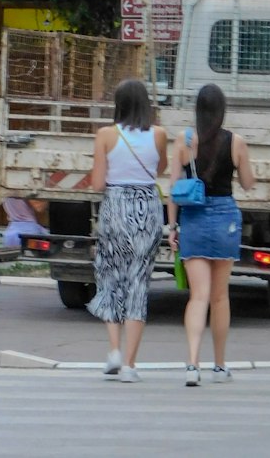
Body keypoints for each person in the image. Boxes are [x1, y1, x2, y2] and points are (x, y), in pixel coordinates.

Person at [167, 83, 255, 385]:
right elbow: (247, 182)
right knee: (219, 298)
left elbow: (173, 189)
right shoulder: (236, 141)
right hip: (225, 217)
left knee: (198, 297)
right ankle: (219, 366)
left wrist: (172, 227)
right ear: (222, 109)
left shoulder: (184, 139)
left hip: (193, 217)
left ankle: (192, 365)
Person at [88, 78, 168, 383]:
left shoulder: (106, 135)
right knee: (138, 283)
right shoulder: (158, 134)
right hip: (147, 206)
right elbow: (159, 170)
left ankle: (113, 351)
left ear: (118, 104)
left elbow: (97, 183)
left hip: (116, 207)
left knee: (110, 278)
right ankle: (131, 366)